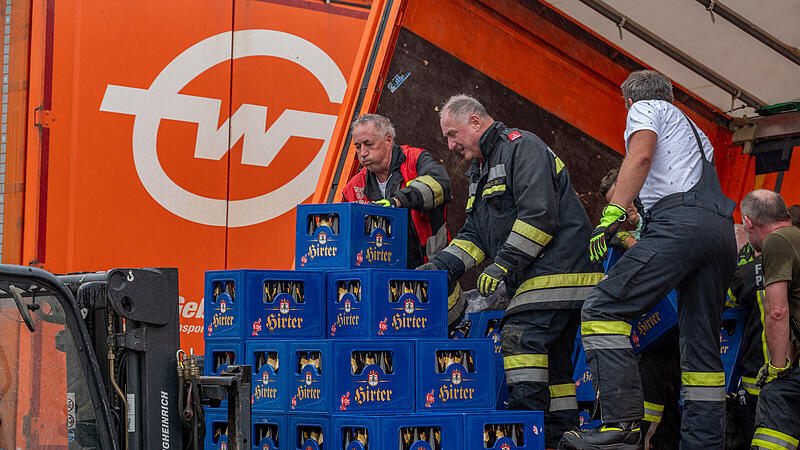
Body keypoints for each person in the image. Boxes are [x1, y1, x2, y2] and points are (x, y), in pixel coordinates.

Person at [561, 70, 737, 449]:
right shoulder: (698, 132)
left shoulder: (645, 109)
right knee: (702, 350)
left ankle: (622, 426)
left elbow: (641, 155)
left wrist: (613, 211)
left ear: (630, 101)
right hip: (721, 230)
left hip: (679, 226)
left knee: (601, 308)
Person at [419, 94, 602, 448]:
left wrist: (504, 263)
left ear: (475, 121)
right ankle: (558, 437)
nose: (450, 145)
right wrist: (439, 267)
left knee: (519, 340)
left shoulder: (522, 147)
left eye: (453, 134)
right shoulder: (482, 169)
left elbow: (539, 216)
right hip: (541, 276)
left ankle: (526, 433)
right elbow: (475, 236)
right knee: (555, 367)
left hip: (558, 272)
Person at [600, 167, 682, 449]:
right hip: (654, 331)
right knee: (658, 395)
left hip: (678, 320)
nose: (627, 211)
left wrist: (629, 241)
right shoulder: (631, 230)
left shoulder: (660, 216)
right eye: (619, 208)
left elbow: (661, 258)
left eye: (628, 202)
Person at [342, 113, 451, 270]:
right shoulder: (353, 188)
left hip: (433, 266)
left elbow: (440, 184)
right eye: (358, 147)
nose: (363, 153)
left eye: (369, 144)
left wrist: (398, 201)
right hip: (383, 275)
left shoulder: (415, 159)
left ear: (388, 141)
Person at [739, 190, 800, 450]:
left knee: (776, 400)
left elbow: (777, 311)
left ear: (749, 222)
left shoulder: (776, 241)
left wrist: (777, 369)